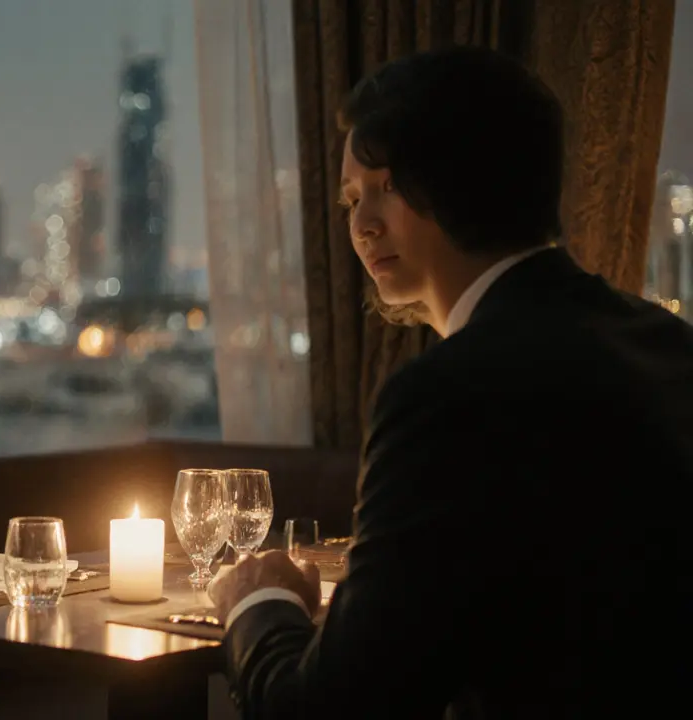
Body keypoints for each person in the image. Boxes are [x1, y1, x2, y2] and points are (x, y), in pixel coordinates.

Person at [210, 46, 693, 719]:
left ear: (465, 178)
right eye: (352, 198)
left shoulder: (447, 394)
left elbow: (328, 709)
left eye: (386, 186)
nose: (361, 224)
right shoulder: (665, 343)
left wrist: (257, 602)